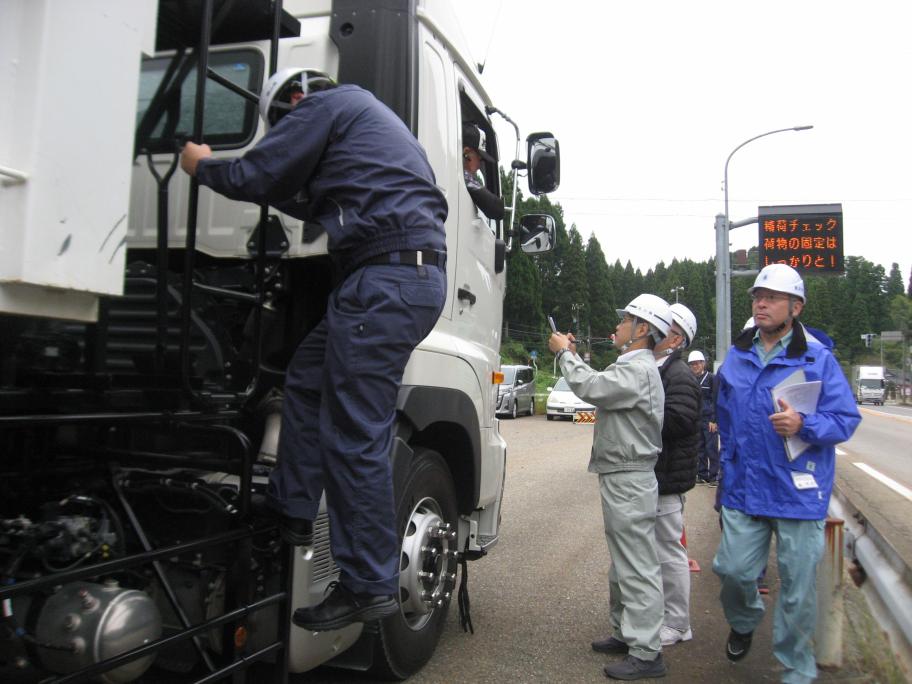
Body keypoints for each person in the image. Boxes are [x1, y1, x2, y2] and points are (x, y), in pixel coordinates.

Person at [180, 68, 448, 631]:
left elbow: (262, 173)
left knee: (355, 430)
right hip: (398, 281)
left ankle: (367, 584)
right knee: (306, 376)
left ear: (297, 102)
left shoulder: (330, 104)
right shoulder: (369, 132)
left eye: (286, 122)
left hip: (383, 280)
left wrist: (202, 165)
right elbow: (299, 191)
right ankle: (293, 507)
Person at [712, 264, 860, 684]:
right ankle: (744, 620)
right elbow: (724, 419)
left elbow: (845, 419)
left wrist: (804, 427)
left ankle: (796, 668)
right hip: (746, 488)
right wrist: (728, 470)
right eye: (757, 295)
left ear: (796, 307)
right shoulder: (737, 357)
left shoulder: (818, 358)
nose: (761, 302)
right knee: (733, 571)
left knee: (797, 591)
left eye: (772, 297)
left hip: (799, 492)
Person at [549, 294, 671, 681]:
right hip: (624, 474)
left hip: (629, 476)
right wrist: (571, 353)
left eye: (625, 321)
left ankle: (647, 652)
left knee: (636, 565)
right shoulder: (634, 366)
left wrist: (565, 354)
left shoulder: (638, 369)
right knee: (624, 563)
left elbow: (591, 387)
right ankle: (626, 633)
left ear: (643, 330)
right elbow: (600, 384)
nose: (617, 327)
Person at [652, 303, 701, 648]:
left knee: (670, 551)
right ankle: (660, 617)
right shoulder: (659, 369)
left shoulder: (679, 374)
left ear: (676, 338)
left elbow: (679, 420)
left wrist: (638, 414)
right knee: (654, 552)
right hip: (656, 473)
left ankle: (679, 623)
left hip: (668, 476)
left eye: (663, 326)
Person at [687, 350, 720, 486]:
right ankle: (702, 474)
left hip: (709, 420)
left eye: (698, 363)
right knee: (699, 448)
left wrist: (715, 420)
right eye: (692, 364)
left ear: (703, 364)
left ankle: (713, 477)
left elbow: (717, 399)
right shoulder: (690, 379)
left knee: (711, 448)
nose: (695, 366)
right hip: (696, 419)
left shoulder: (711, 378)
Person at [462, 123, 504, 221]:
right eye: (479, 158)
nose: (479, 165)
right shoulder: (463, 177)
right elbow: (498, 209)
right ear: (466, 152)